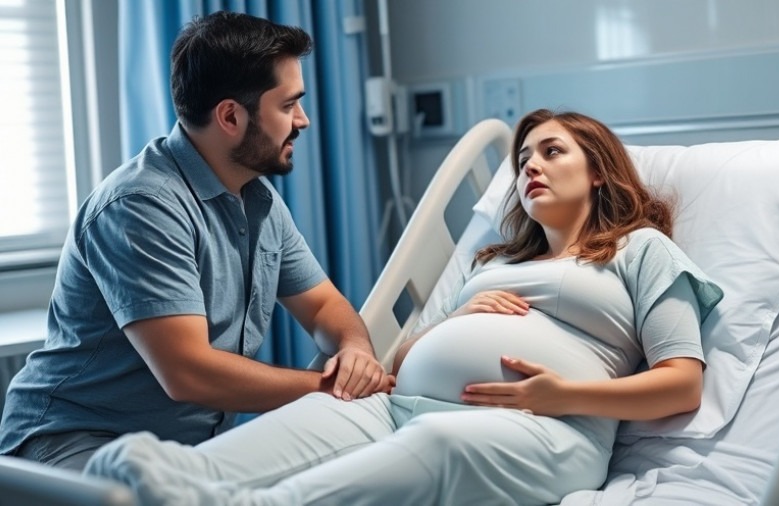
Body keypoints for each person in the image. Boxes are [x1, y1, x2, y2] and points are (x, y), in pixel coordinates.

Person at [84, 109, 724, 505]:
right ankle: (173, 478)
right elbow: (406, 357)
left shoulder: (640, 250)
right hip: (399, 406)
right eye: (523, 156)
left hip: (549, 433)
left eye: (552, 152)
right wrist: (450, 327)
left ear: (601, 173)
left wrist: (563, 396)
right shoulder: (496, 262)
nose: (530, 165)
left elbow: (681, 385)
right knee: (317, 411)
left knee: (441, 442)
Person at [0, 11, 388, 472]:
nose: (302, 120)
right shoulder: (142, 205)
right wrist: (332, 389)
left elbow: (324, 307)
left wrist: (355, 352)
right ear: (230, 115)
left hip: (178, 450)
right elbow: (188, 373)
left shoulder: (257, 199)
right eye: (287, 106)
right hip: (71, 443)